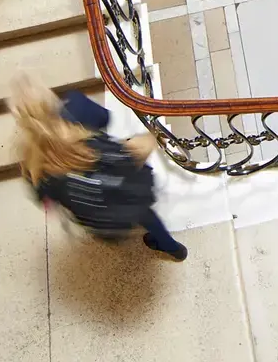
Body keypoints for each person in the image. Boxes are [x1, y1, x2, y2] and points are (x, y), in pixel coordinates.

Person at [10, 75, 188, 261]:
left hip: (100, 218)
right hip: (129, 193)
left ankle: (164, 244)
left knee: (131, 215)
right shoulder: (76, 110)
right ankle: (173, 248)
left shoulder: (33, 167)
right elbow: (106, 118)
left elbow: (44, 200)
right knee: (146, 216)